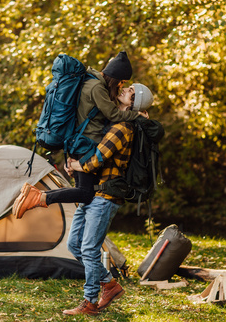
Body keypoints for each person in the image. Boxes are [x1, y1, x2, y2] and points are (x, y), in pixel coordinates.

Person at [12, 52, 148, 218]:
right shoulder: (97, 87)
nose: (121, 86)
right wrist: (137, 115)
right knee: (85, 193)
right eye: (122, 82)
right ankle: (39, 196)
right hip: (86, 144)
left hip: (78, 143)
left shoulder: (89, 80)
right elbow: (113, 115)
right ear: (115, 78)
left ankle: (76, 240)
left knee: (84, 195)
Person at [60, 84, 155, 316]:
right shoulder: (114, 122)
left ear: (134, 103)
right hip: (93, 192)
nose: (125, 89)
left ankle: (90, 302)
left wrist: (75, 165)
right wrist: (75, 166)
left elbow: (98, 159)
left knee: (90, 249)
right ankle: (110, 285)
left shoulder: (123, 128)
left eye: (131, 91)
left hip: (106, 197)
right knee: (75, 245)